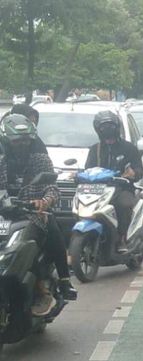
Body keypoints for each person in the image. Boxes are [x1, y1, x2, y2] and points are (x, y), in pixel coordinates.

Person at [0, 114, 75, 315]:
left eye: (26, 140)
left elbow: (52, 187)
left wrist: (44, 202)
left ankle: (61, 281)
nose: (21, 145)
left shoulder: (40, 160)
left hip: (33, 214)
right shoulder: (2, 162)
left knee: (50, 227)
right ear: (7, 140)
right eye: (17, 140)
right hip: (4, 215)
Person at [84, 110, 143, 253]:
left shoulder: (129, 148)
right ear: (98, 129)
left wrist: (133, 173)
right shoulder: (95, 149)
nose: (108, 131)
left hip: (122, 188)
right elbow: (88, 169)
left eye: (110, 126)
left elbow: (139, 169)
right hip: (98, 190)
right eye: (104, 127)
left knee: (122, 205)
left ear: (117, 127)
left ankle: (122, 238)